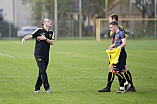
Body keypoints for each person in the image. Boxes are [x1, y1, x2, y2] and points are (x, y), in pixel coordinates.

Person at [98, 14, 135, 92]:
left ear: (114, 21)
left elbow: (122, 41)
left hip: (119, 52)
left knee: (121, 69)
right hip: (115, 52)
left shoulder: (119, 29)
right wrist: (112, 46)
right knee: (114, 68)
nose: (109, 21)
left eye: (110, 20)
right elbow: (116, 41)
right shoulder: (114, 29)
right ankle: (117, 87)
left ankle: (128, 85)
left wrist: (117, 48)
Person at [22, 18, 54, 93]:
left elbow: (51, 42)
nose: (50, 22)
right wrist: (24, 38)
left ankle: (37, 89)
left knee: (41, 72)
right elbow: (31, 35)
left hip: (46, 55)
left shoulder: (51, 32)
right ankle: (47, 88)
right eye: (48, 21)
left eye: (50, 21)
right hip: (38, 54)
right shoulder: (39, 31)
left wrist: (44, 38)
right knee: (43, 71)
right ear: (44, 23)